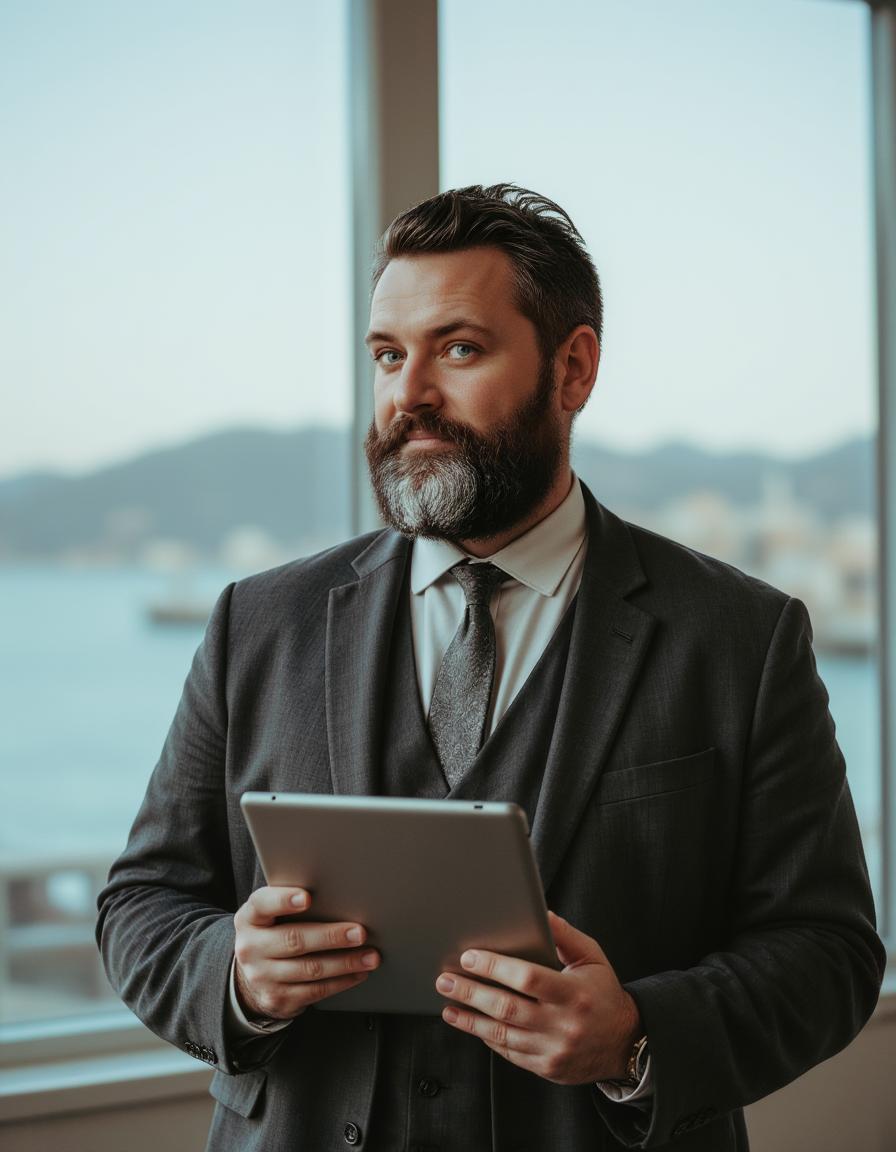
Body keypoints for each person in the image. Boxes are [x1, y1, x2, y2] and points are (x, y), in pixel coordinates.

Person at [97, 184, 885, 1152]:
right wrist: (236, 974)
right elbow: (140, 903)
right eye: (388, 355)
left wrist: (636, 1037)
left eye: (457, 349)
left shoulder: (739, 637)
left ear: (573, 368)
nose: (407, 395)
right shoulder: (257, 621)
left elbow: (829, 954)